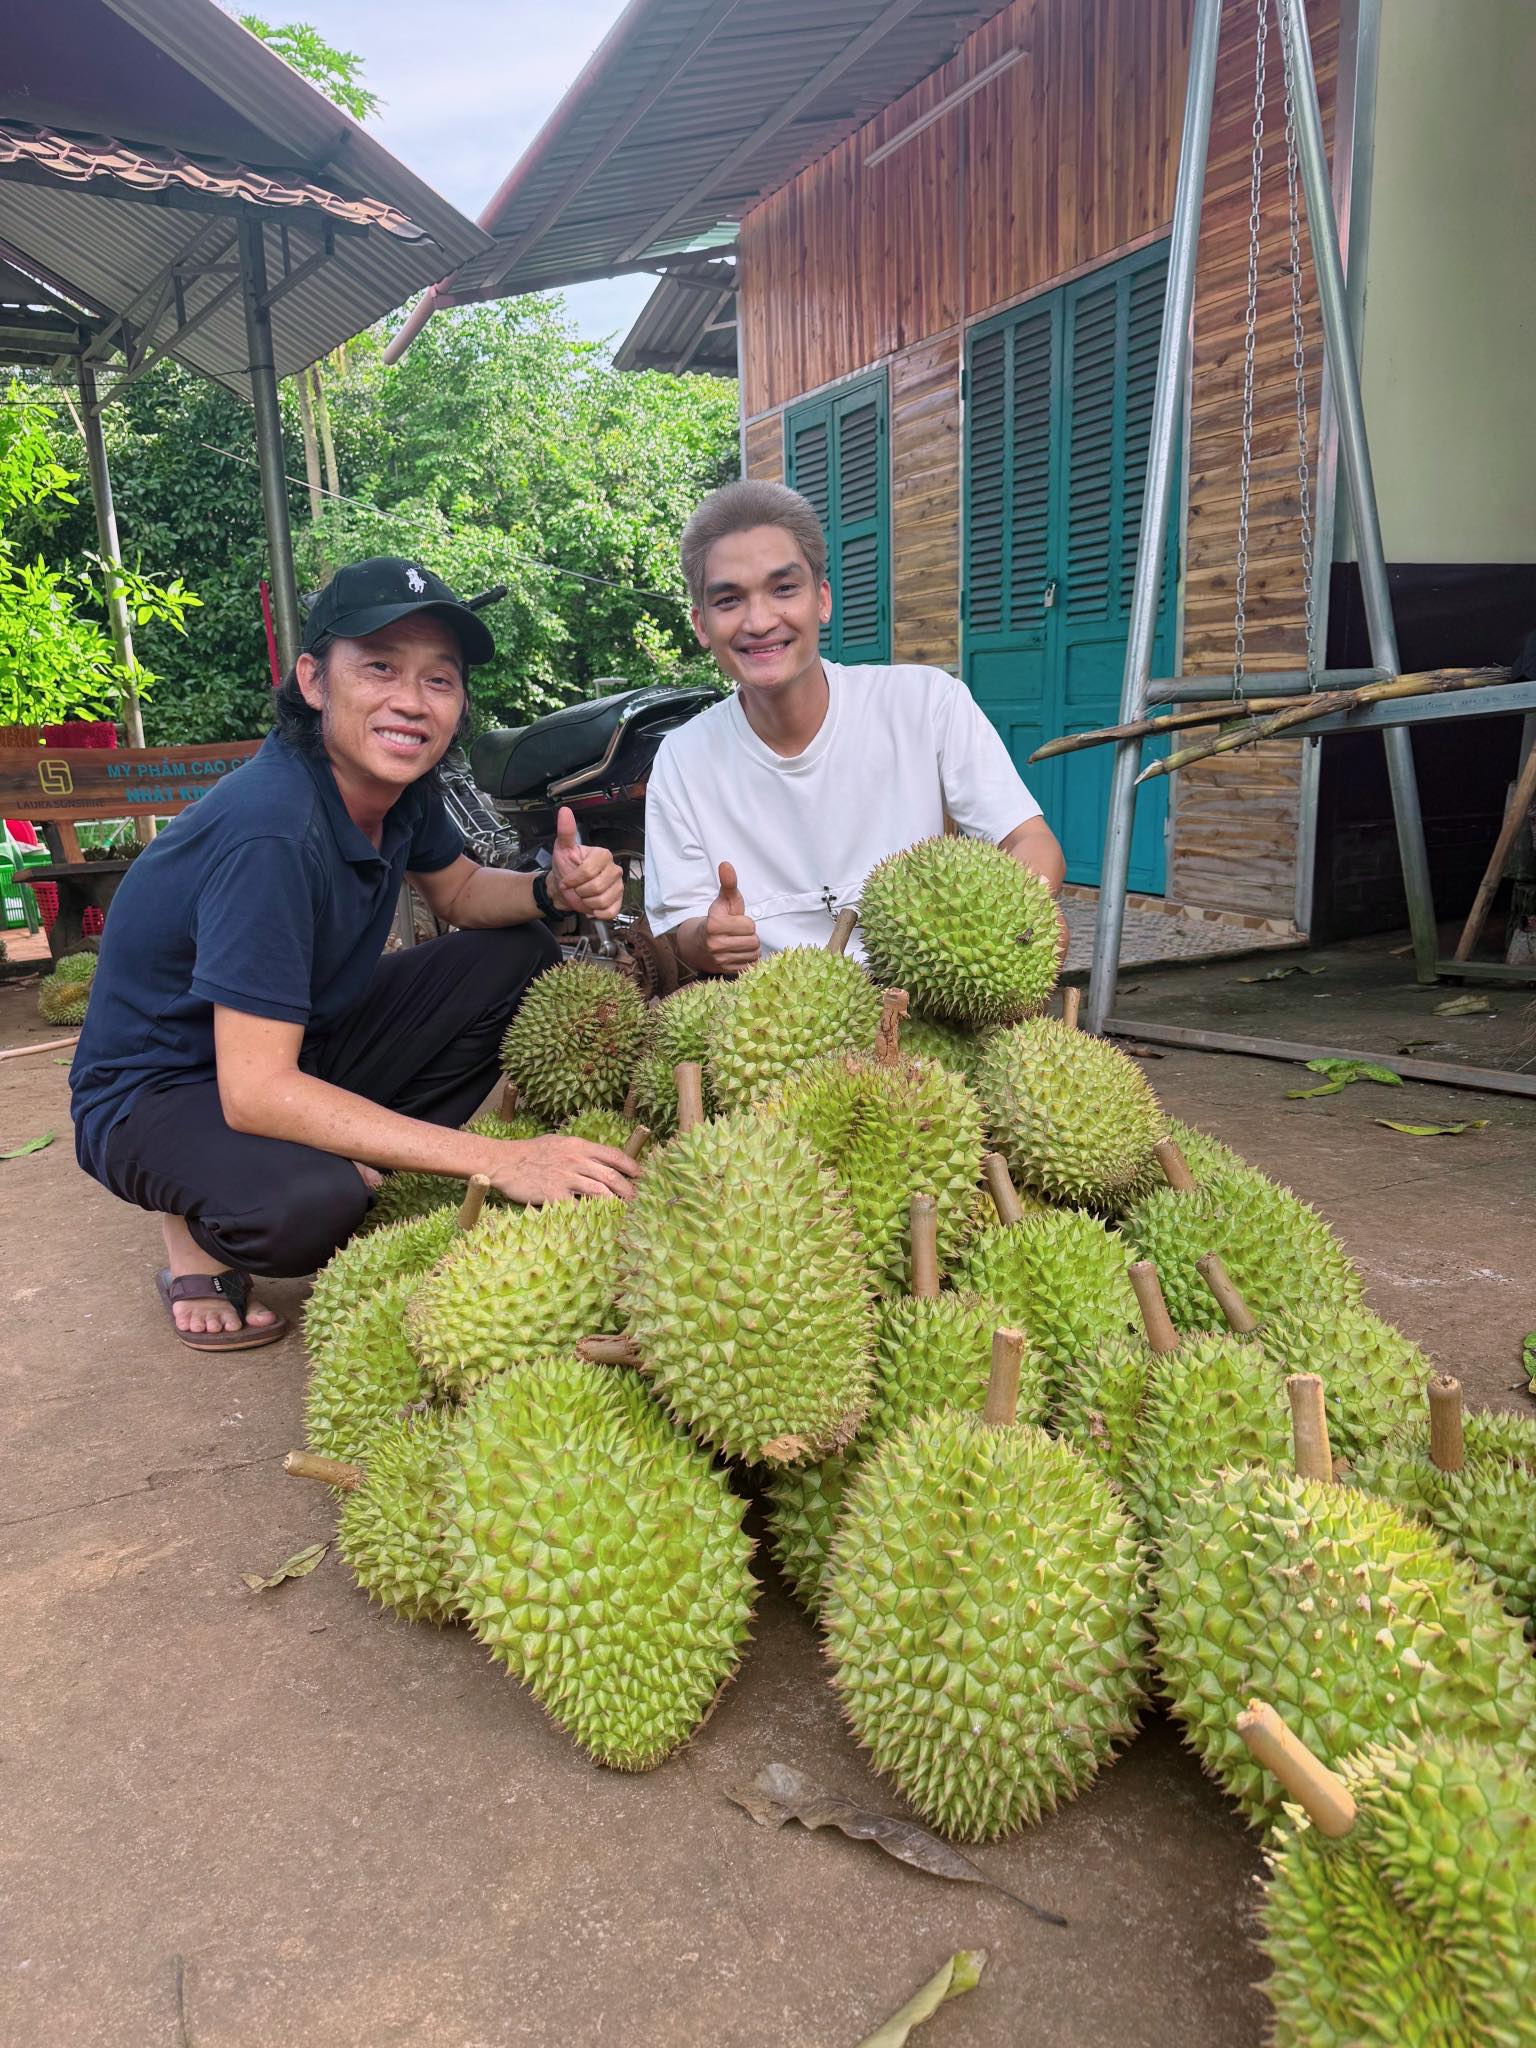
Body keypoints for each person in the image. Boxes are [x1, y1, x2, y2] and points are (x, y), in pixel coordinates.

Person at [70, 557, 638, 1354]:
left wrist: (555, 892)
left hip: (293, 1041)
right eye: (379, 668)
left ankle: (357, 1155)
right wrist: (500, 1162)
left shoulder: (404, 790)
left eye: (439, 680)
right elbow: (254, 1090)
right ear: (312, 680)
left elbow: (462, 891)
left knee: (515, 954)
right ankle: (195, 1231)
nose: (411, 701)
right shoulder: (272, 830)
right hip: (156, 1091)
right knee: (308, 1209)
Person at [644, 480, 1066, 976]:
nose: (758, 621)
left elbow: (1030, 840)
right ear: (700, 624)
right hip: (779, 1025)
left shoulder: (926, 703)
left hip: (926, 995)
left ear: (821, 600)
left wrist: (1009, 918)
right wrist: (707, 939)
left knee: (1053, 933)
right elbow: (685, 928)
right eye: (729, 600)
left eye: (784, 589)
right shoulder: (683, 759)